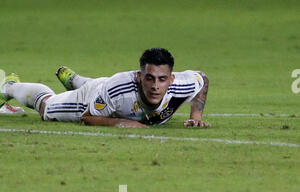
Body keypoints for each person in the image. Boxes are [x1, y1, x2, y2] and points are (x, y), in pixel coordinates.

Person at [0, 48, 210, 128]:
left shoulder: (183, 84)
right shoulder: (120, 89)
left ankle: (77, 80)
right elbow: (87, 116)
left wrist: (196, 116)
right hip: (91, 98)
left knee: (103, 89)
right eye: (149, 78)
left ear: (171, 79)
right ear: (139, 77)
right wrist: (122, 123)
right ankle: (9, 86)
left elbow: (203, 78)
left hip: (105, 89)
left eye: (162, 79)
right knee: (46, 107)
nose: (156, 86)